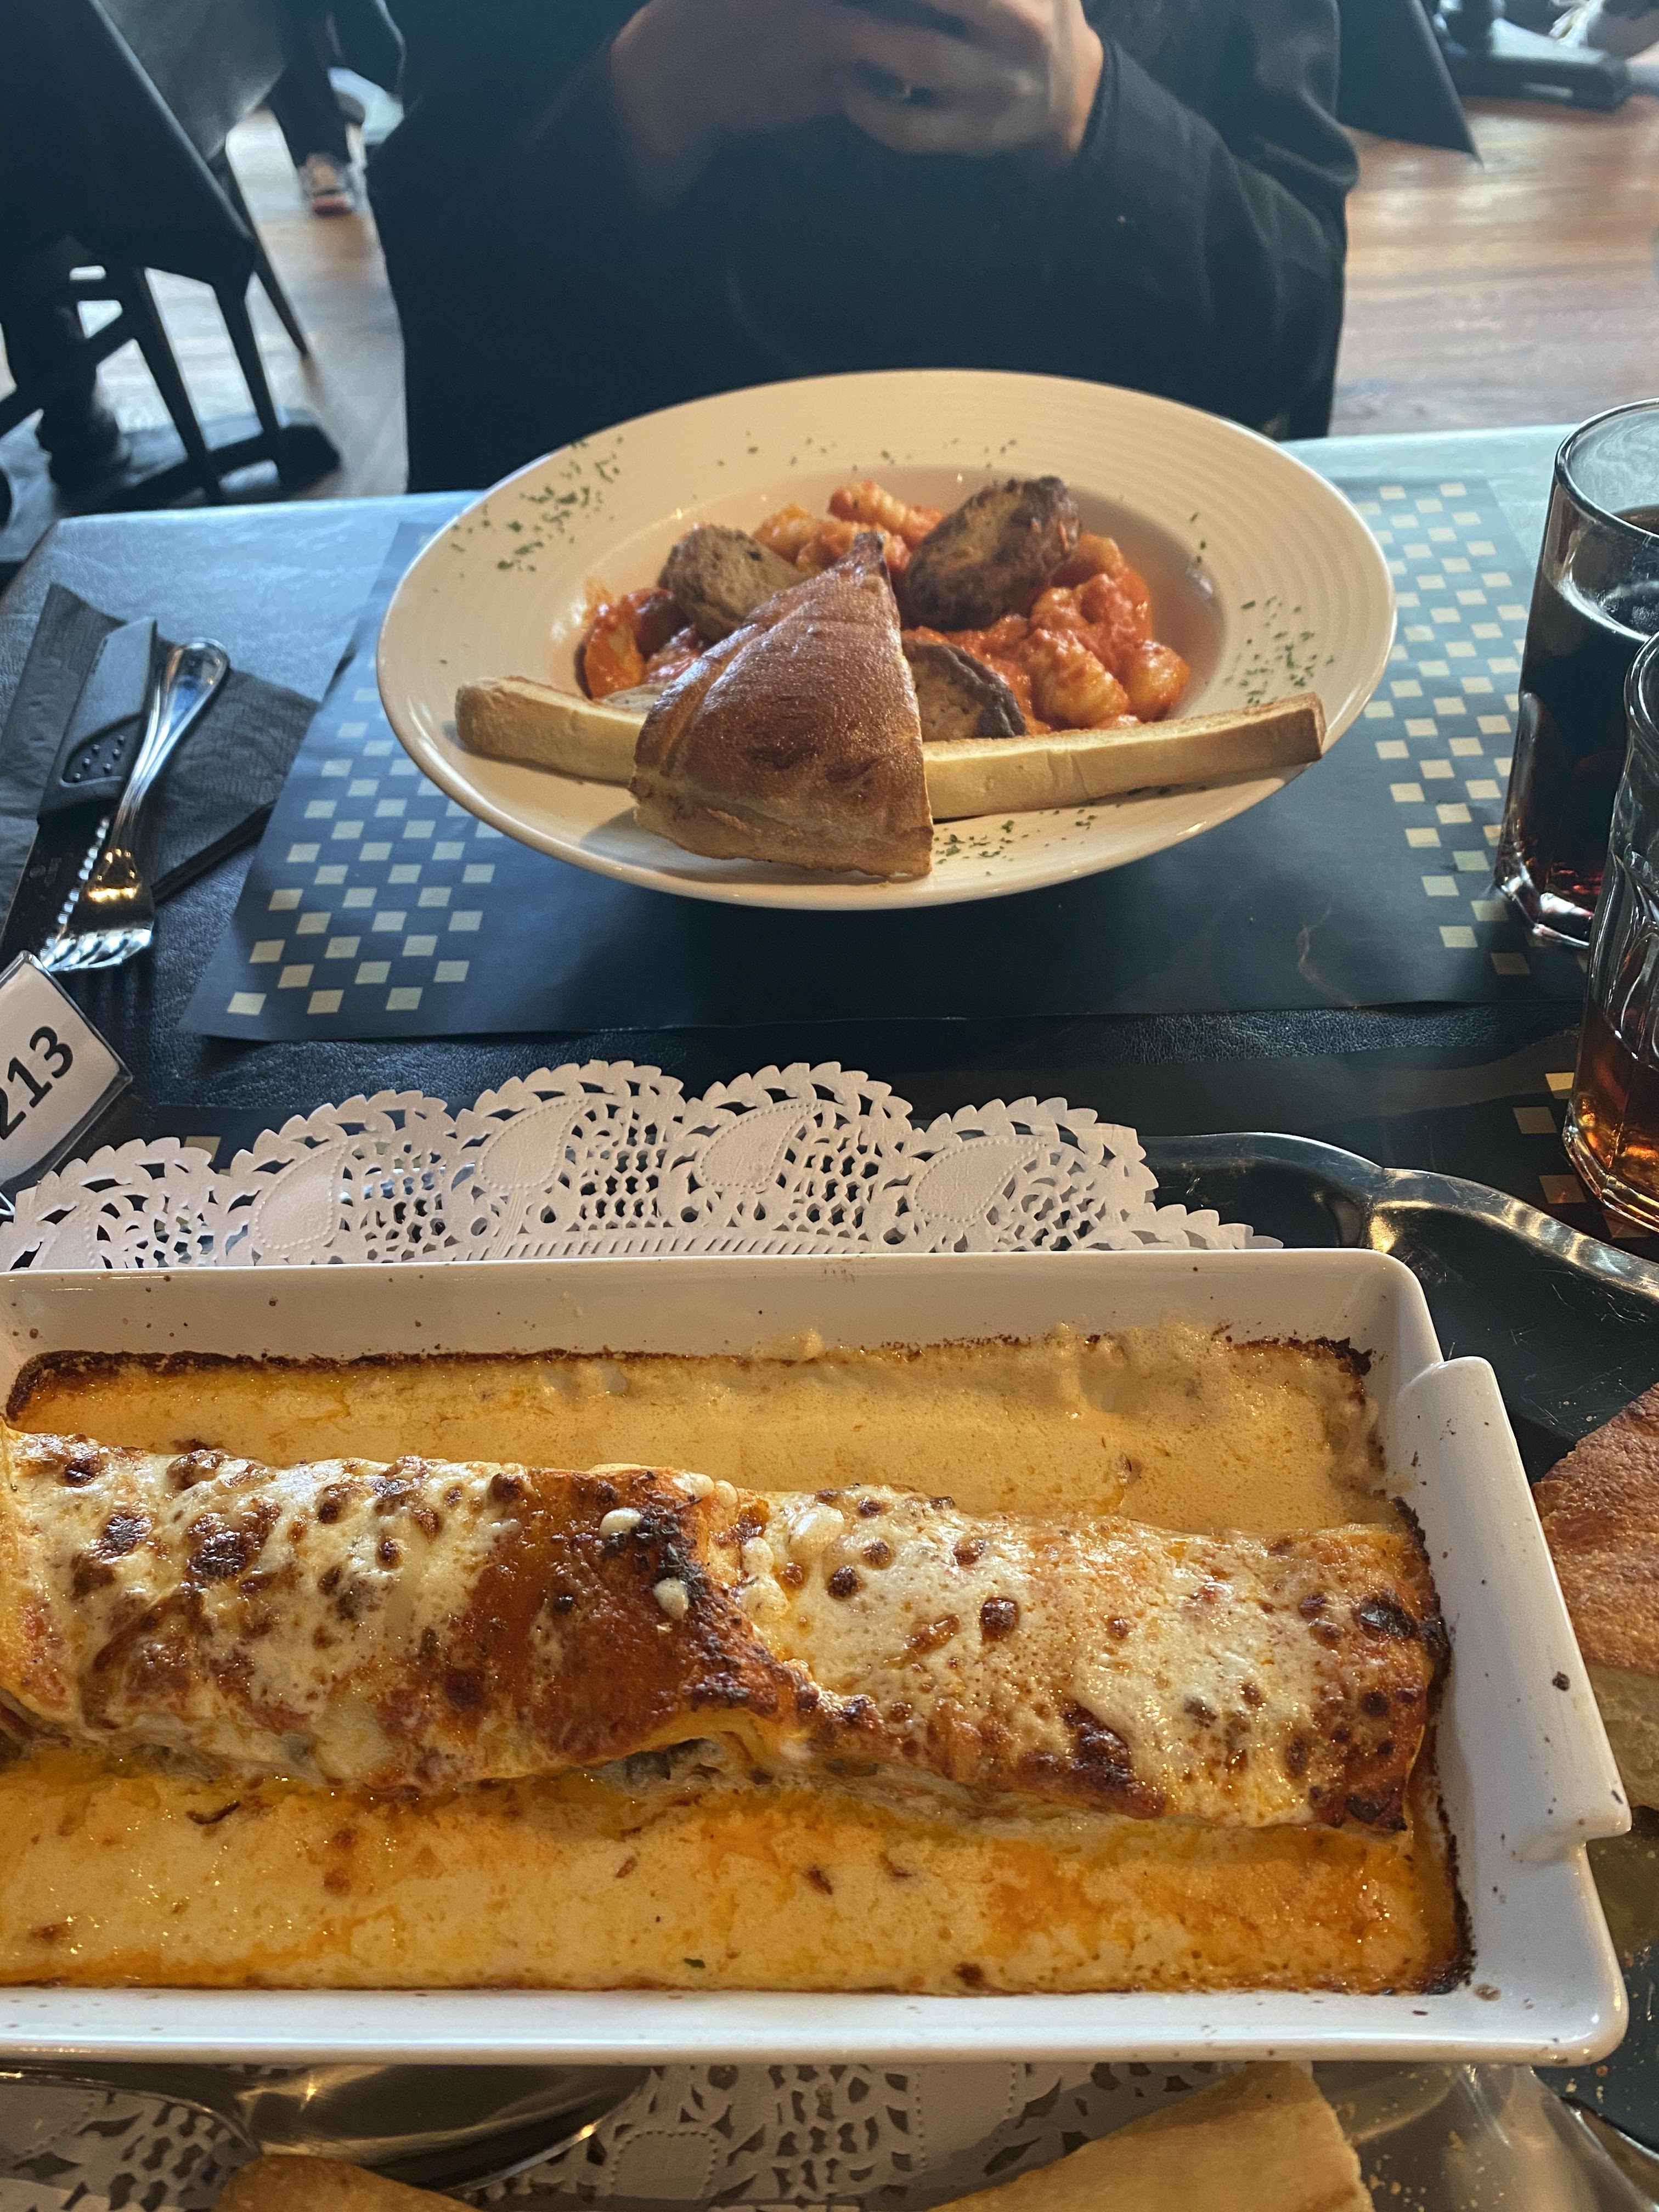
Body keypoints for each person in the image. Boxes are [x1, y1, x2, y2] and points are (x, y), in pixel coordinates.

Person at [370, 0, 1356, 493]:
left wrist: (1088, 115)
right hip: (622, 660)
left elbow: (1288, 331)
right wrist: (653, 95)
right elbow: (457, 355)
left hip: (1127, 625)